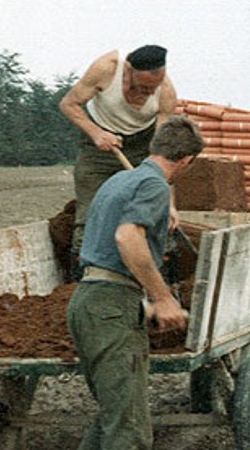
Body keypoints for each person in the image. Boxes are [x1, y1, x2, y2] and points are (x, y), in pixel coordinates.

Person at [47, 116, 202, 450]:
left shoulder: (119, 181)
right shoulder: (153, 186)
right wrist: (163, 297)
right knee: (128, 427)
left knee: (116, 413)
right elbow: (128, 239)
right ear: (185, 161)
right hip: (112, 308)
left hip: (87, 301)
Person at [59, 45, 178, 281]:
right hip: (98, 142)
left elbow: (163, 157)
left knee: (152, 204)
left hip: (142, 144)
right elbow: (68, 104)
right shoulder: (106, 69)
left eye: (152, 89)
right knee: (89, 207)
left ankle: (165, 275)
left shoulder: (165, 94)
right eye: (143, 87)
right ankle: (79, 278)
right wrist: (96, 133)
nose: (147, 93)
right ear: (129, 70)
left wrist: (170, 203)